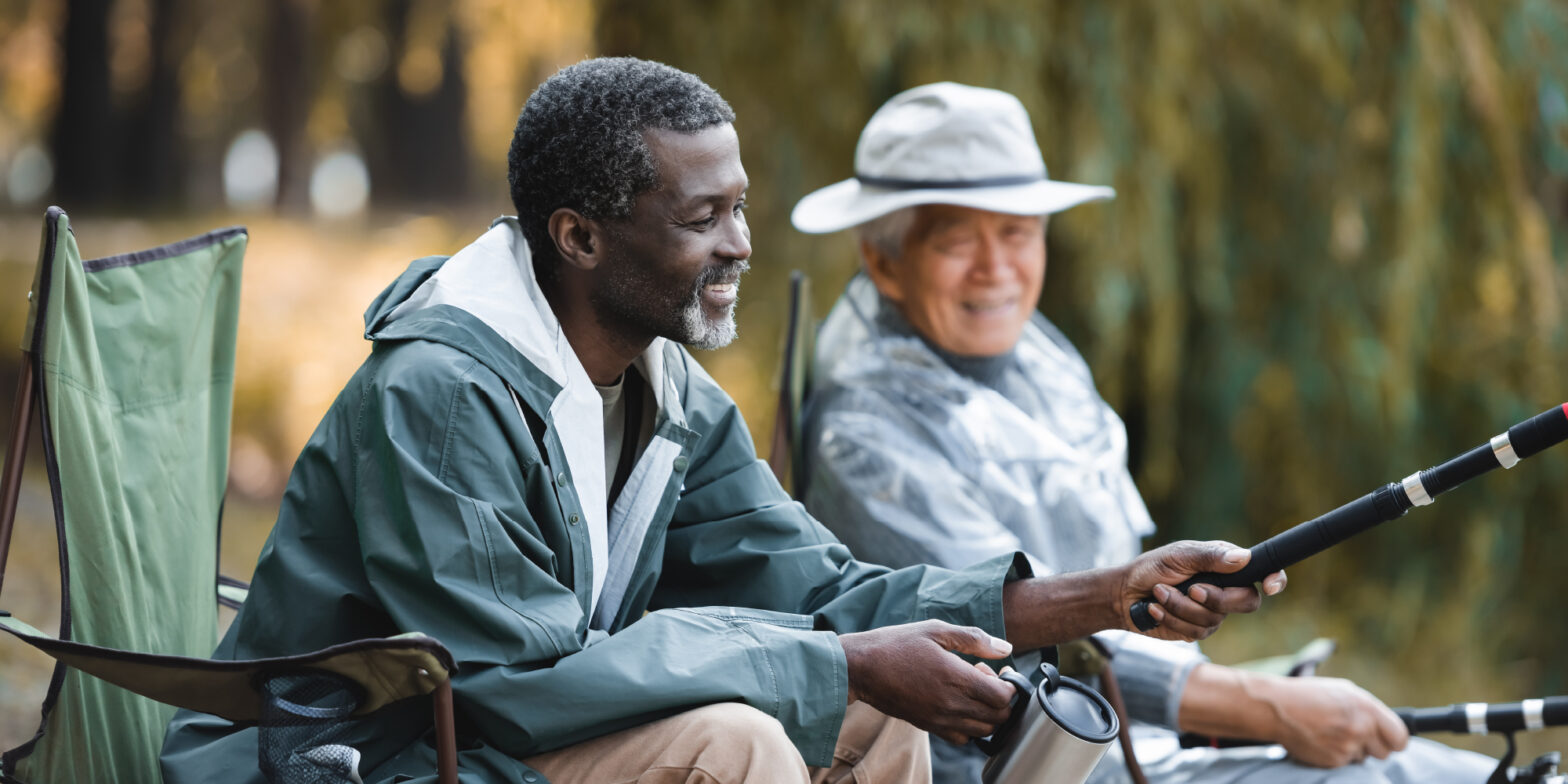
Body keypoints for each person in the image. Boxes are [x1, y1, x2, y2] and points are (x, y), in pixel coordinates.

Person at [160, 59, 1276, 784]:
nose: (741, 243)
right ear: (578, 238)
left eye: (736, 206)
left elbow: (824, 588)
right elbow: (511, 680)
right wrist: (836, 661)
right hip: (356, 754)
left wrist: (1113, 590)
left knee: (875, 717)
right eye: (703, 217)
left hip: (486, 738)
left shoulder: (664, 387)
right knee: (737, 738)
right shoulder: (441, 399)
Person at [792, 81, 1498, 784]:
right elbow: (1015, 634)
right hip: (1023, 759)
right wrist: (1269, 707)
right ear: (884, 261)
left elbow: (1106, 583)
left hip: (1141, 732)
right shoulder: (863, 435)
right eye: (956, 241)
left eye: (1017, 233)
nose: (996, 268)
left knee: (1456, 770)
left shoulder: (1027, 354)